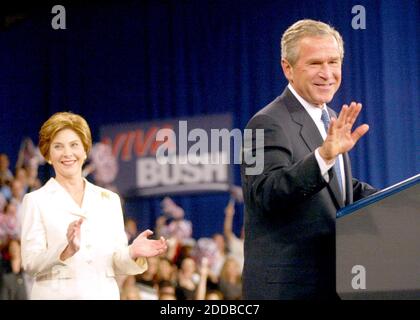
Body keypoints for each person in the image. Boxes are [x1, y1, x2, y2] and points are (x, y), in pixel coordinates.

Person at [240, 19, 378, 300]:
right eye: (315, 63)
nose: (327, 73)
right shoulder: (264, 123)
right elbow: (265, 192)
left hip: (331, 285)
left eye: (333, 61)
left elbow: (335, 190)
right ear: (287, 68)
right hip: (289, 289)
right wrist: (324, 156)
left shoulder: (329, 117)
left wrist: (399, 199)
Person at [20, 112, 167, 299]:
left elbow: (115, 262)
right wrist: (65, 250)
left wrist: (132, 252)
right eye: (58, 146)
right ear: (48, 154)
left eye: (74, 145)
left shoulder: (109, 200)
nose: (67, 153)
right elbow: (31, 263)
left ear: (84, 150)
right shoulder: (36, 201)